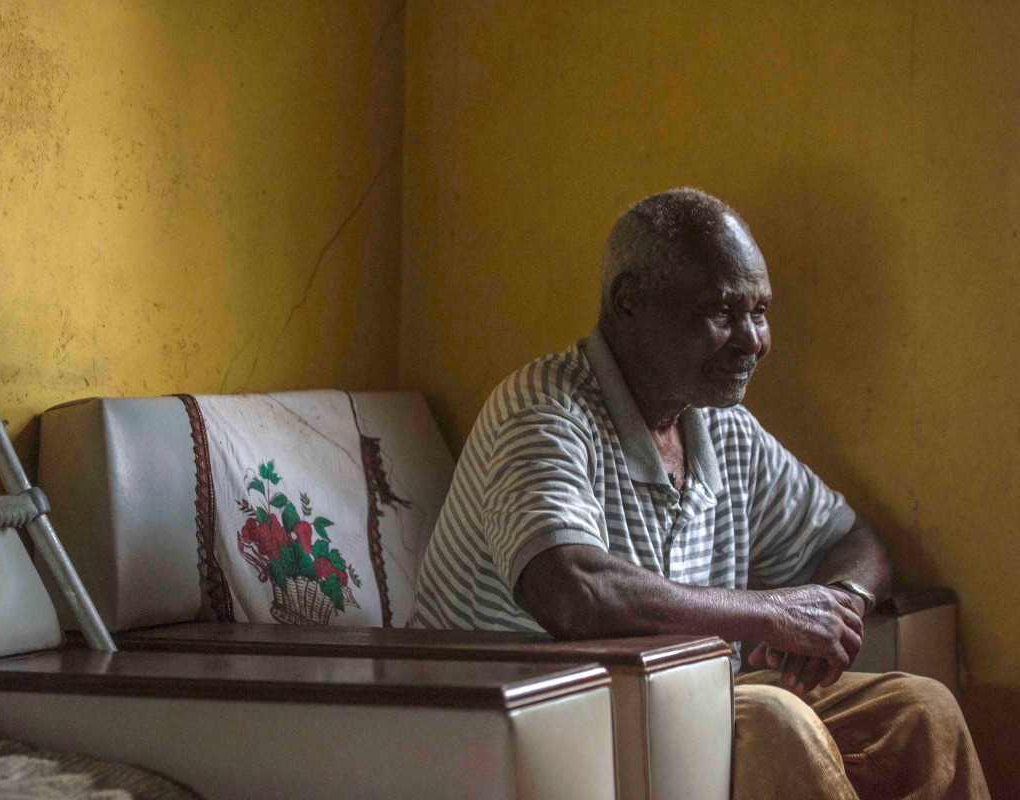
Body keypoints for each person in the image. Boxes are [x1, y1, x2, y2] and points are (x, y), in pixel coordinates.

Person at [409, 188, 988, 798]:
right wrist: (773, 613)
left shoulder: (720, 427)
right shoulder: (541, 409)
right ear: (630, 301)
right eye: (721, 312)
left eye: (759, 311)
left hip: (676, 707)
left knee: (923, 712)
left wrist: (835, 603)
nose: (753, 339)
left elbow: (853, 537)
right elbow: (571, 589)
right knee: (773, 722)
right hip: (538, 723)